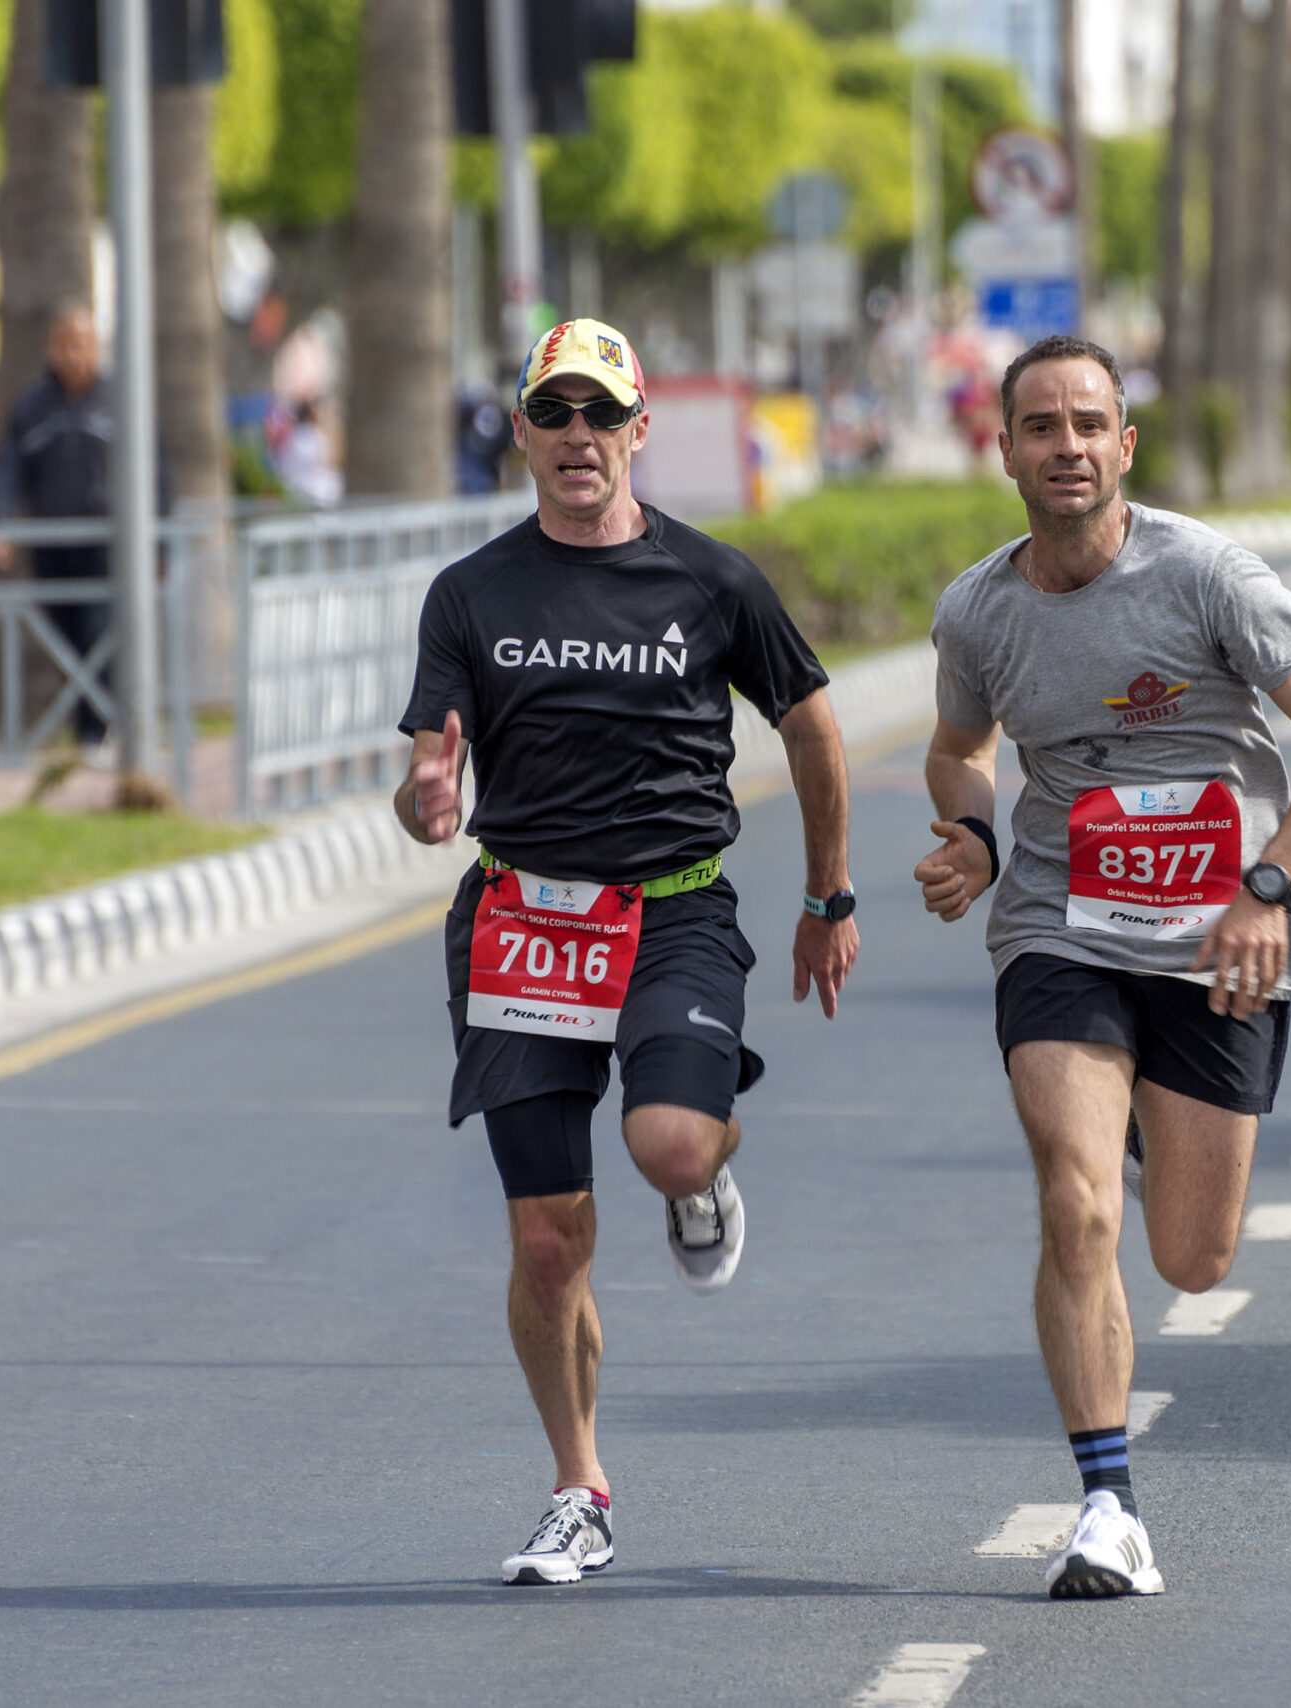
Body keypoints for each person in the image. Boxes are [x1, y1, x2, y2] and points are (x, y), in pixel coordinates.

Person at [914, 335, 1291, 1599]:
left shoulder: (1207, 575)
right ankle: (1107, 1503)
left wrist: (1267, 886)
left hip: (1216, 936)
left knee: (1189, 1256)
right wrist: (966, 832)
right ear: (1003, 448)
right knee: (1075, 1205)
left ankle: (1148, 1120)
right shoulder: (979, 608)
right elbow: (958, 749)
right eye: (1040, 427)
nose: (1065, 446)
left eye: (1088, 425)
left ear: (1126, 445)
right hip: (1059, 924)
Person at [393, 319, 861, 1586]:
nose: (579, 438)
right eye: (555, 414)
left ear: (639, 430)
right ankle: (578, 1485)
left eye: (602, 414)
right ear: (525, 435)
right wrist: (429, 802)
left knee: (666, 1144)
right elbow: (425, 777)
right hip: (522, 922)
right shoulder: (471, 594)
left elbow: (815, 731)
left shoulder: (712, 581)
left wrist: (828, 894)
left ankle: (708, 1170)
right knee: (549, 1237)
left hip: (673, 909)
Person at [0, 305, 123, 747]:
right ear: (51, 350)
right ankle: (89, 731)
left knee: (99, 635)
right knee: (67, 644)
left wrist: (157, 543)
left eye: (82, 344)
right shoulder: (33, 407)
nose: (74, 354)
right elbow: (9, 469)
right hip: (52, 547)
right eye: (66, 345)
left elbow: (152, 470)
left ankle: (95, 734)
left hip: (104, 546)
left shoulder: (118, 402)